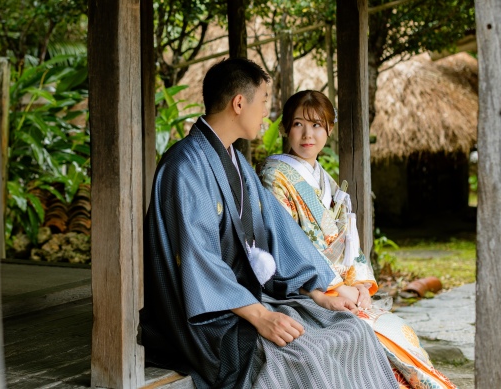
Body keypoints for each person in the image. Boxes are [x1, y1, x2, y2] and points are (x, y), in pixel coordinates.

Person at [139, 58, 397, 389]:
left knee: (352, 329)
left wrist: (320, 291)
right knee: (303, 354)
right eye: (263, 102)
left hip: (243, 301)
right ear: (239, 103)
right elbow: (197, 259)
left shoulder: (238, 164)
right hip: (206, 318)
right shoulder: (185, 166)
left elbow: (279, 231)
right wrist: (262, 316)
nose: (266, 113)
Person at [259, 89, 458, 389]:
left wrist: (359, 283)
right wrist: (331, 290)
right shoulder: (275, 176)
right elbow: (287, 245)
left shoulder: (324, 179)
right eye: (298, 124)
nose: (307, 134)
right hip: (300, 289)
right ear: (286, 127)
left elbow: (345, 238)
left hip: (339, 286)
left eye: (317, 125)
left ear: (329, 130)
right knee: (379, 339)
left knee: (401, 332)